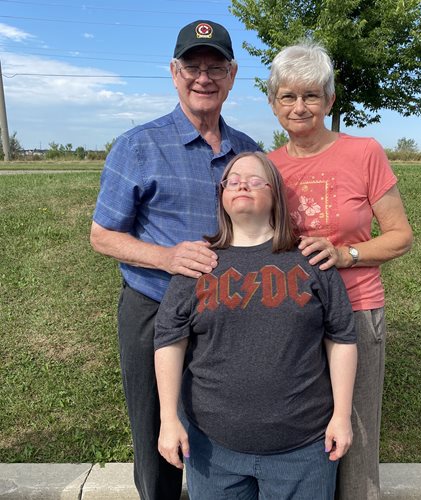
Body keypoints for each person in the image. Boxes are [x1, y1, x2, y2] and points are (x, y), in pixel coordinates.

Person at [89, 20, 260, 500]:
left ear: (232, 75)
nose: (203, 77)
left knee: (216, 426)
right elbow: (102, 236)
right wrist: (166, 257)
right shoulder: (138, 145)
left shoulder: (247, 151)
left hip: (227, 314)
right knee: (156, 434)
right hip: (154, 308)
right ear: (173, 71)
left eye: (215, 67)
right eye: (192, 66)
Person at [154, 151, 358, 500]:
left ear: (275, 194)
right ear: (221, 196)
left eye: (254, 180)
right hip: (213, 451)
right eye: (232, 181)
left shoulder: (310, 260)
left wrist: (342, 415)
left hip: (304, 449)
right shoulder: (198, 264)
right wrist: (168, 420)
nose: (241, 185)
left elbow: (341, 337)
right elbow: (170, 341)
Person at [267, 42, 413, 500]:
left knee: (357, 429)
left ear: (330, 101)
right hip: (294, 315)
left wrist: (347, 255)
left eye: (311, 95)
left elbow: (400, 235)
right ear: (273, 104)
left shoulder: (364, 152)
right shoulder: (268, 166)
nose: (299, 106)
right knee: (303, 428)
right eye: (287, 96)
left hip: (356, 308)